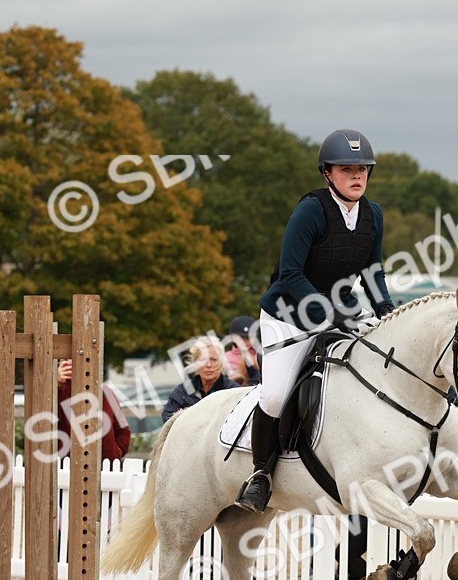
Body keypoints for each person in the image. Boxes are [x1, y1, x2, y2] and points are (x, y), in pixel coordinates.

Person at [235, 128, 395, 514]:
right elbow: (290, 273)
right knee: (274, 394)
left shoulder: (372, 215)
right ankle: (260, 474)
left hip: (338, 312)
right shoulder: (311, 211)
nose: (357, 176)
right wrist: (327, 311)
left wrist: (388, 311)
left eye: (362, 169)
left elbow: (373, 272)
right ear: (327, 173)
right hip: (288, 315)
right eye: (347, 169)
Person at [56, 359, 131, 463]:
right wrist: (56, 384)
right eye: (67, 358)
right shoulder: (56, 391)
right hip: (68, 468)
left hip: (106, 468)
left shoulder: (106, 391)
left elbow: (124, 430)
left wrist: (116, 452)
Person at [162, 335, 239, 423]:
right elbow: (167, 418)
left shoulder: (233, 391)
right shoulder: (184, 390)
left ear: (221, 363)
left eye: (213, 359)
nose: (208, 365)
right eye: (203, 360)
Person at [224, 315, 261, 386]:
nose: (245, 342)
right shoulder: (225, 358)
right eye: (241, 338)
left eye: (249, 337)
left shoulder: (260, 355)